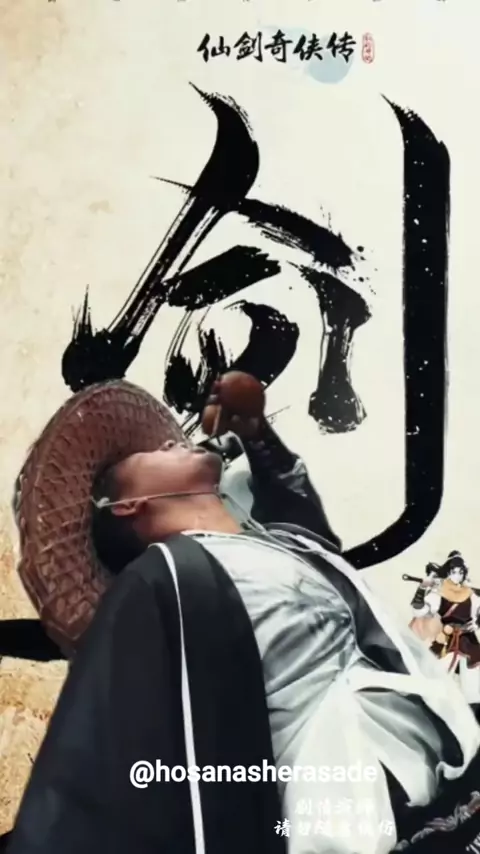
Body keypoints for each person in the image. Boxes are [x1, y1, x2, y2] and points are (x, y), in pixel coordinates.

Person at [5, 376, 480, 854]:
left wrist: (255, 433)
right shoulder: (162, 579)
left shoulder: (275, 545)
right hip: (354, 814)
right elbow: (90, 750)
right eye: (149, 453)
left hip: (440, 761)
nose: (170, 440)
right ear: (127, 505)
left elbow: (301, 517)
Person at [410, 552, 480, 703]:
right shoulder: (438, 594)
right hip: (445, 638)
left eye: (460, 572)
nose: (457, 576)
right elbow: (419, 610)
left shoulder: (472, 596)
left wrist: (477, 623)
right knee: (435, 679)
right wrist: (422, 588)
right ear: (448, 572)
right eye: (454, 572)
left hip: (468, 640)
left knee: (473, 685)